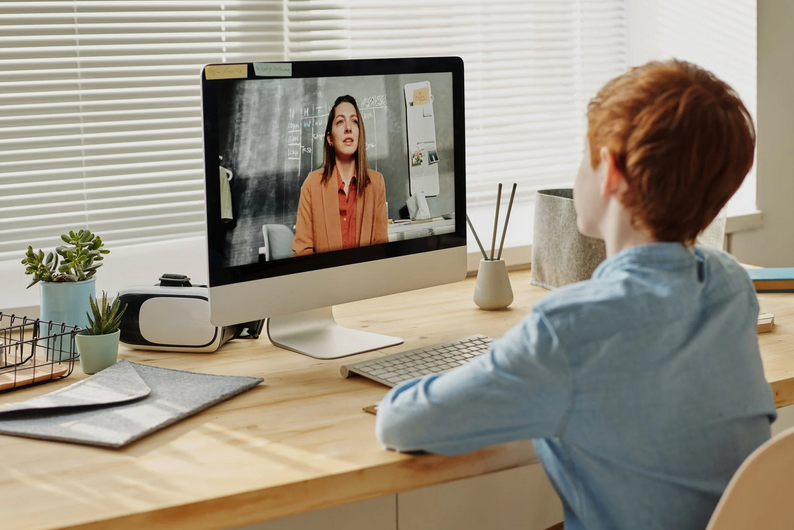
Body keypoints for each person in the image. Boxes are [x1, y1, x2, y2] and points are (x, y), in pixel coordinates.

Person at [375, 60, 777, 530]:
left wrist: (501, 368)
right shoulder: (729, 284)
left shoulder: (567, 331)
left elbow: (401, 423)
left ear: (609, 170)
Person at [292, 95, 389, 256]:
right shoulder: (312, 184)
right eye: (340, 121)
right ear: (330, 138)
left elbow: (381, 248)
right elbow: (303, 251)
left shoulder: (376, 183)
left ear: (359, 134)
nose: (348, 128)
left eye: (354, 121)